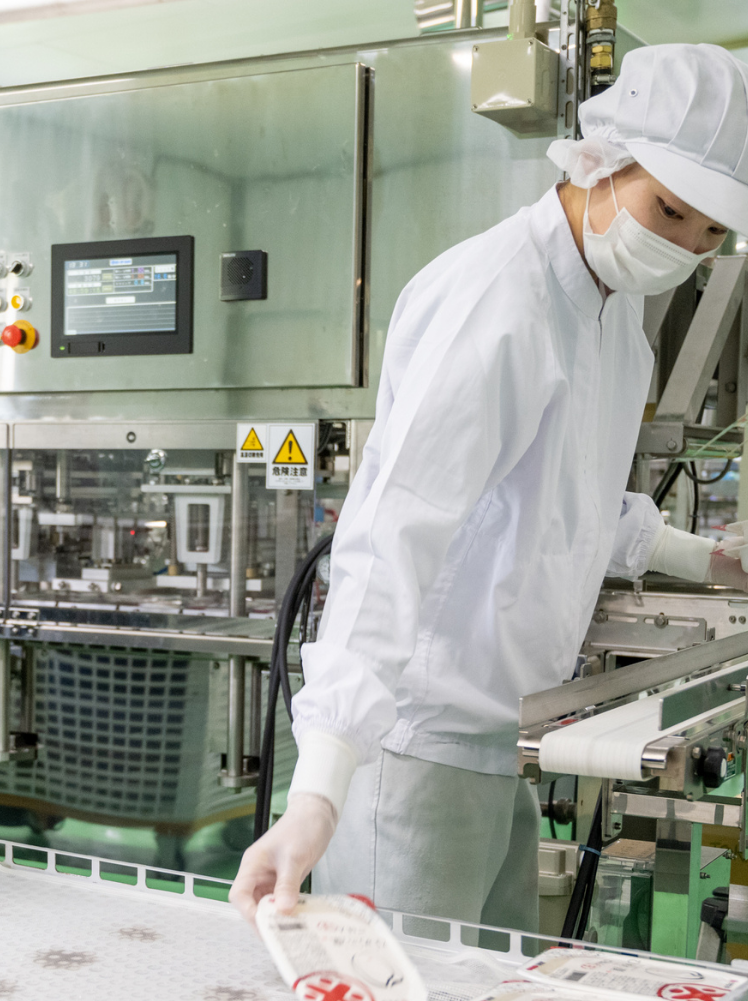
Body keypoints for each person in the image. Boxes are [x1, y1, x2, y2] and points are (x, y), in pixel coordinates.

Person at [230, 43, 748, 929]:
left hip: (506, 740)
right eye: (669, 210)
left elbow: (575, 507)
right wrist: (318, 789)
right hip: (415, 750)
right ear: (602, 159)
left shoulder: (614, 318)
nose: (685, 249)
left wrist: (713, 558)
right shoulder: (497, 299)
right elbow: (392, 537)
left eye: (711, 234)